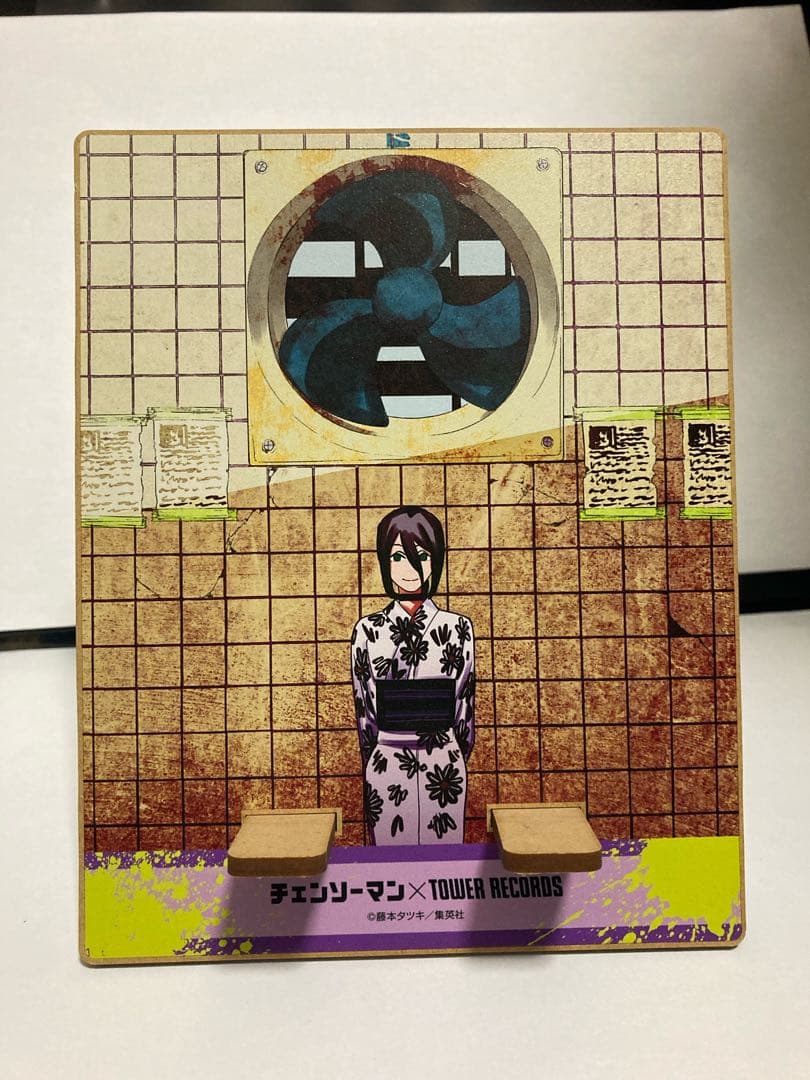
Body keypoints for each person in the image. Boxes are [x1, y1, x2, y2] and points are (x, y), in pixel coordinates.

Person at [351, 506, 475, 845]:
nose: (410, 569)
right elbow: (365, 711)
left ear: (436, 560)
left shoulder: (458, 628)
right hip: (387, 758)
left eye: (420, 556)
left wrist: (450, 749)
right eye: (397, 557)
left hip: (444, 759)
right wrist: (377, 750)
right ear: (384, 562)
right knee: (391, 853)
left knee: (445, 855)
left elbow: (465, 708)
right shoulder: (368, 630)